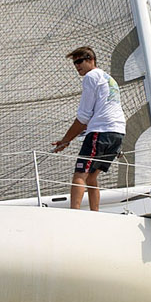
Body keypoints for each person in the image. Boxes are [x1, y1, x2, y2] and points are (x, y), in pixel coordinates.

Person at [51, 45, 126, 211]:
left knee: (80, 174)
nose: (77, 66)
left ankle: (75, 213)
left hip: (101, 131)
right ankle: (95, 214)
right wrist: (68, 140)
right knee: (92, 177)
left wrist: (65, 141)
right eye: (75, 63)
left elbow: (84, 117)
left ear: (91, 60)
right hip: (118, 132)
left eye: (79, 61)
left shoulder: (91, 77)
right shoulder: (108, 78)